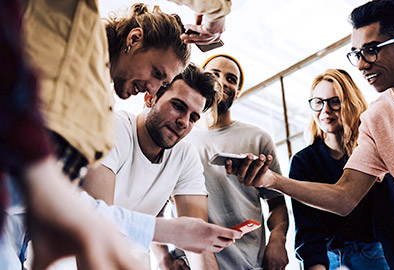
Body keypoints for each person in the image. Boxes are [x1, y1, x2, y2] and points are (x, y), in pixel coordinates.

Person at [225, 0, 394, 268]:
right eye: (356, 53)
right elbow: (345, 197)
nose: (361, 64)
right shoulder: (375, 122)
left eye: (371, 50)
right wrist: (272, 180)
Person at [18, 1, 240, 266]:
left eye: (163, 82)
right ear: (134, 38)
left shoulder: (96, 100)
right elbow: (85, 220)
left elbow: (54, 197)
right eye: (156, 73)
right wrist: (216, 11)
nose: (152, 87)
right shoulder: (70, 52)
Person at [83, 64, 222, 269]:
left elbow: (197, 244)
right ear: (150, 98)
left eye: (193, 117)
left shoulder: (185, 157)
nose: (184, 122)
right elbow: (94, 228)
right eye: (178, 106)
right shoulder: (113, 128)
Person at [290, 69, 394, 270]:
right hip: (333, 260)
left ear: (349, 103)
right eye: (318, 102)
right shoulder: (303, 161)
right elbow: (307, 227)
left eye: (334, 101)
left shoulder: (373, 149)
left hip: (379, 257)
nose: (325, 110)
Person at [185, 54, 289, 270]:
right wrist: (163, 255)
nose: (223, 82)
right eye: (214, 74)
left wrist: (278, 240)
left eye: (231, 79)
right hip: (192, 264)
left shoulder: (258, 139)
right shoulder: (180, 138)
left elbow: (276, 203)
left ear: (238, 92)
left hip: (250, 263)